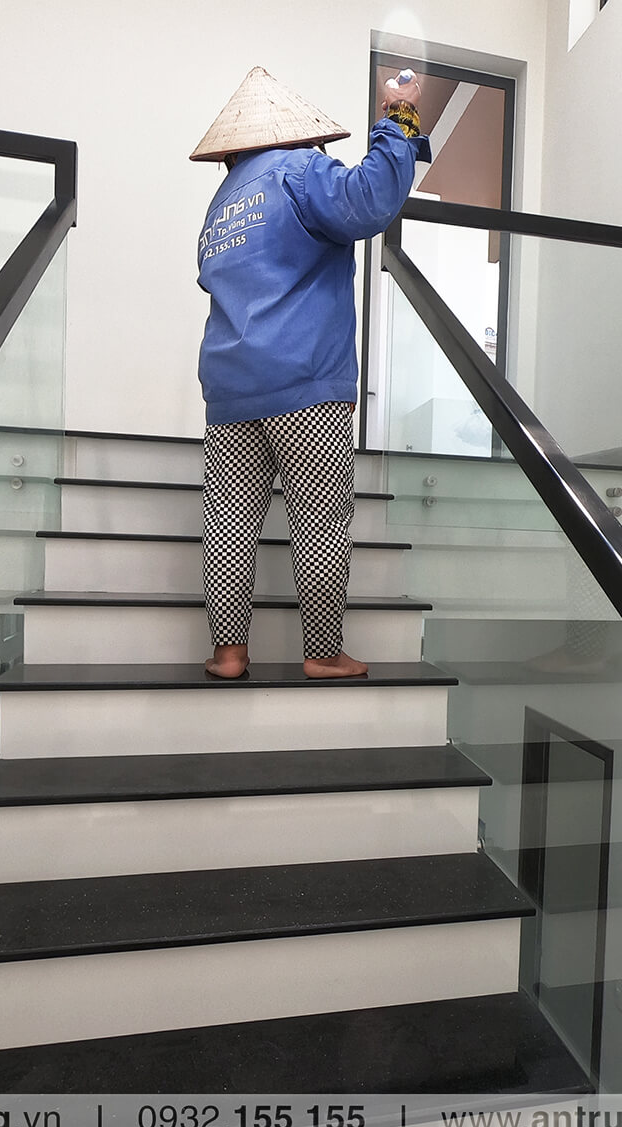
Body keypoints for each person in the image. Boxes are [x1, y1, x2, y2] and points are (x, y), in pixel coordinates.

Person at [190, 66, 430, 679]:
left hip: (229, 389)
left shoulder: (220, 207)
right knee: (319, 522)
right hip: (305, 383)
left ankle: (228, 653)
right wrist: (398, 116)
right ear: (299, 133)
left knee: (228, 524)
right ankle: (323, 652)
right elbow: (368, 200)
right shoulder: (298, 170)